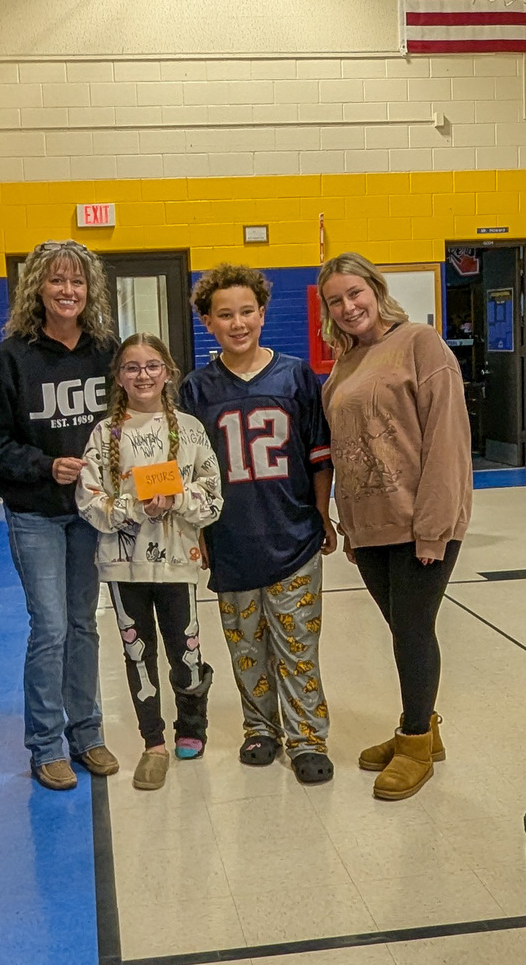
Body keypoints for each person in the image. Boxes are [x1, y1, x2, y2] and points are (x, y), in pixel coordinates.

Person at [318, 251, 472, 801]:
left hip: (418, 524)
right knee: (402, 631)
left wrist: (434, 528)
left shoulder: (419, 344)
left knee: (412, 630)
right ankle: (422, 728)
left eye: (354, 293)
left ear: (374, 289)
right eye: (335, 300)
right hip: (371, 528)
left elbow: (448, 442)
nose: (347, 306)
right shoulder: (345, 362)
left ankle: (414, 744)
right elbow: (342, 451)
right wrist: (353, 529)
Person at [179, 264, 337, 785]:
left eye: (247, 311)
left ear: (263, 314)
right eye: (225, 314)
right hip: (231, 538)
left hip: (292, 533)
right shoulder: (195, 390)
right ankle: (260, 728)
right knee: (245, 644)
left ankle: (307, 736)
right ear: (207, 321)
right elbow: (192, 473)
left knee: (297, 642)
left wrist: (321, 514)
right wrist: (198, 533)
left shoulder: (295, 376)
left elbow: (318, 455)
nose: (238, 322)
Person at [0, 239, 119, 791]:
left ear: (89, 291)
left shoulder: (105, 350)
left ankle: (87, 733)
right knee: (52, 627)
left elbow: (131, 420)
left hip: (89, 513)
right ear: (38, 286)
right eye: (57, 281)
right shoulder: (12, 357)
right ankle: (46, 745)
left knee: (84, 623)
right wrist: (42, 465)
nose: (67, 291)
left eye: (77, 282)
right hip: (35, 512)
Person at [76, 333, 222, 791]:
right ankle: (153, 742)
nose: (143, 375)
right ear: (119, 377)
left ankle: (191, 729)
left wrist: (176, 498)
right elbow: (89, 500)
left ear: (169, 372)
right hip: (124, 570)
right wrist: (135, 508)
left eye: (152, 366)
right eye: (132, 367)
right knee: (138, 654)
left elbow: (213, 499)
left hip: (178, 564)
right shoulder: (104, 435)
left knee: (187, 651)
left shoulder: (191, 429)